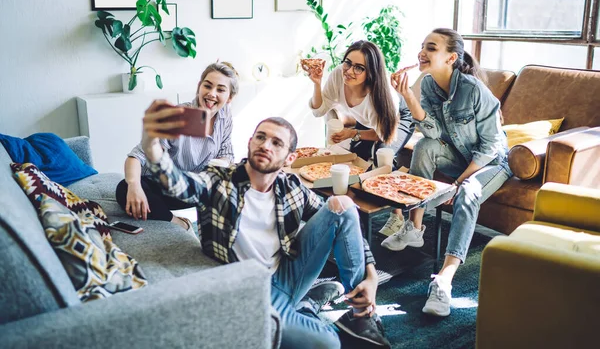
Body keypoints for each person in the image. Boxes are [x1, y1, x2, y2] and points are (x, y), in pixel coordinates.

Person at [139, 108, 391, 349]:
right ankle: (305, 307)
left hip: (286, 274)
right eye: (261, 137)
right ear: (250, 142)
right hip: (250, 290)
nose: (265, 145)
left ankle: (362, 315)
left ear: (290, 158)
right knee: (329, 343)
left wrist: (371, 277)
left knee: (343, 205)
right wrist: (151, 143)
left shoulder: (290, 186)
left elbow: (342, 220)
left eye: (276, 143)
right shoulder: (219, 181)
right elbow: (177, 183)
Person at [382, 28, 513, 317]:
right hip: (459, 155)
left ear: (451, 57)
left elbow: (491, 146)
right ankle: (414, 228)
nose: (422, 52)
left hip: (493, 162)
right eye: (422, 46)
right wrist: (407, 94)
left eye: (431, 47)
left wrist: (459, 181)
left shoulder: (473, 89)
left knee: (468, 192)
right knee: (425, 147)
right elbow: (434, 132)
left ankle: (444, 280)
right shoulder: (427, 85)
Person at [115, 61, 239, 235]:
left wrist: (221, 166)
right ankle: (175, 221)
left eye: (220, 89)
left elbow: (227, 153)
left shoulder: (225, 116)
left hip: (193, 187)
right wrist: (134, 186)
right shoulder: (179, 116)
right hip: (162, 187)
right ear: (199, 87)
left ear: (229, 98)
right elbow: (136, 157)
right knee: (123, 187)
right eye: (208, 86)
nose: (212, 94)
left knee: (235, 184)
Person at [306, 40, 414, 237]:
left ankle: (398, 216)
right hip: (369, 121)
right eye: (348, 62)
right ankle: (347, 212)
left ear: (371, 73)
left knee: (382, 157)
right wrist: (317, 84)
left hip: (396, 119)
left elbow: (385, 135)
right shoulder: (339, 75)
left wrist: (353, 133)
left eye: (359, 68)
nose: (349, 71)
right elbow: (319, 110)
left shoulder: (383, 95)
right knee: (357, 161)